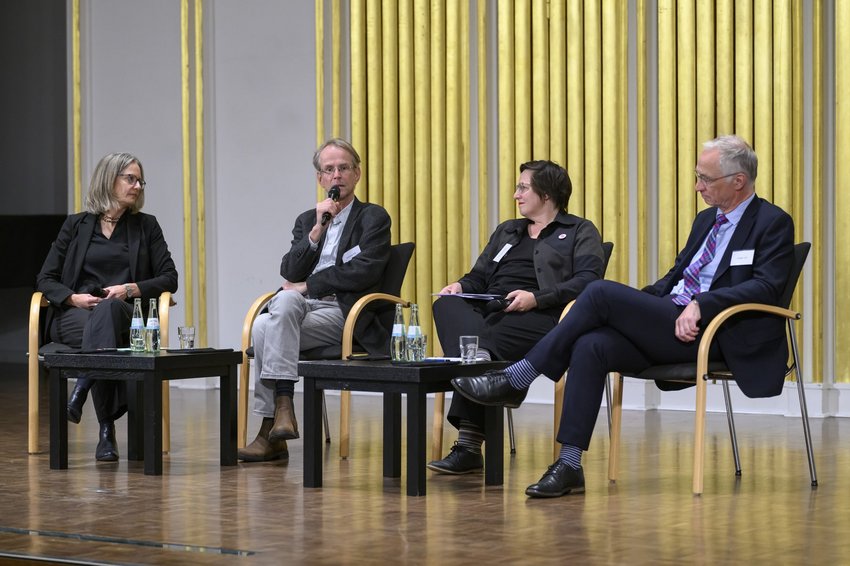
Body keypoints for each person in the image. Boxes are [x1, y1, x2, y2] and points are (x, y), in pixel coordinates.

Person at [452, 135, 794, 497]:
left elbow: (766, 287)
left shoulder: (772, 222)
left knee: (599, 291)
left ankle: (517, 376)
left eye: (705, 179)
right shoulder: (706, 220)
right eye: (697, 176)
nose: (697, 186)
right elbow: (675, 276)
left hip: (714, 332)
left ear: (738, 181)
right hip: (671, 321)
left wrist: (703, 304)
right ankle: (569, 464)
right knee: (591, 344)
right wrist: (641, 304)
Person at [427, 160, 604, 474]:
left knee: (488, 337)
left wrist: (535, 298)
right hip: (490, 310)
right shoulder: (508, 230)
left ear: (546, 194)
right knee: (445, 304)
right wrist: (461, 286)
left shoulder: (579, 230)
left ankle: (468, 445)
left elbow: (588, 280)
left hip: (543, 317)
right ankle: (481, 363)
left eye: (523, 188)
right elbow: (478, 277)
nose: (516, 195)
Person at [238, 138, 392, 462]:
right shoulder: (309, 218)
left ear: (357, 174)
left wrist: (308, 286)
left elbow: (364, 272)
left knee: (266, 326)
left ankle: (273, 427)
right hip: (303, 311)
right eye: (329, 169)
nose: (337, 175)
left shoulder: (373, 218)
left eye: (343, 168)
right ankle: (281, 414)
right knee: (274, 314)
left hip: (345, 313)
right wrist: (315, 233)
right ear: (320, 179)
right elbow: (289, 269)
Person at [36, 152, 178, 462]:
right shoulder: (75, 225)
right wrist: (73, 298)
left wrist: (129, 289)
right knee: (103, 328)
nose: (138, 185)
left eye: (140, 180)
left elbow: (170, 277)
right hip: (76, 316)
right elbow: (45, 278)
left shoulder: (146, 226)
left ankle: (88, 402)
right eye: (130, 178)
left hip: (126, 317)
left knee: (109, 312)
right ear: (108, 180)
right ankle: (105, 427)